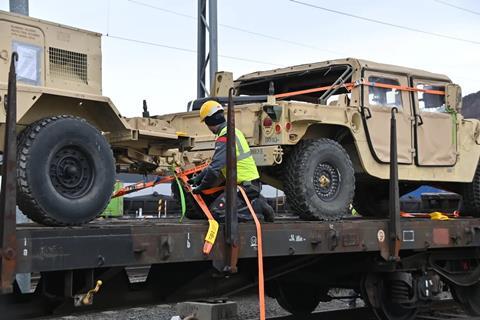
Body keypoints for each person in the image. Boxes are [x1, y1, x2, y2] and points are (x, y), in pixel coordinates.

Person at [188, 100, 274, 222]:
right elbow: (216, 164)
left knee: (217, 213)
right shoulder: (234, 131)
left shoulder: (225, 136)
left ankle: (259, 207)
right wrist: (199, 177)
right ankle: (257, 202)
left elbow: (214, 169)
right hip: (248, 184)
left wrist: (202, 186)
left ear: (209, 121)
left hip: (246, 187)